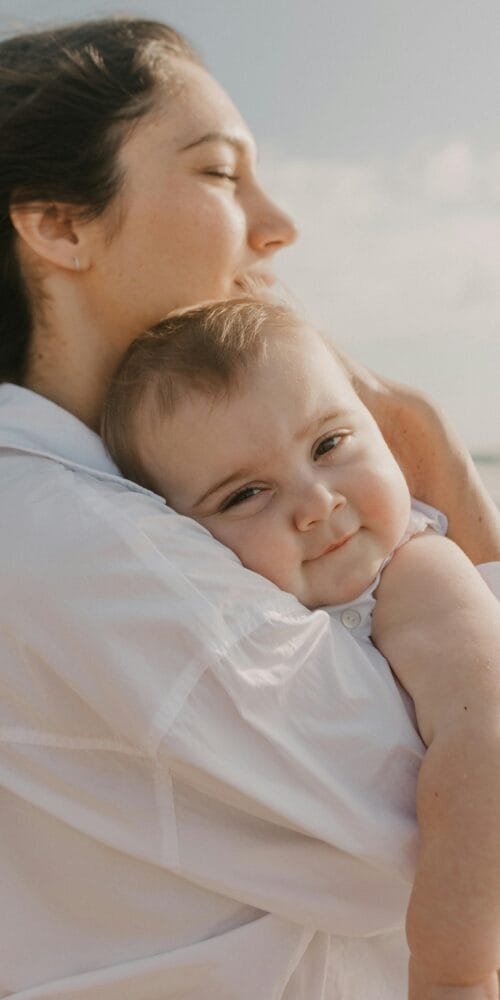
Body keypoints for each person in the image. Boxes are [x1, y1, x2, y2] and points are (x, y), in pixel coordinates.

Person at [0, 16, 499, 1000]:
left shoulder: (119, 501)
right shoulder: (89, 544)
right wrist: (426, 451)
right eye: (220, 173)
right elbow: (443, 807)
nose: (276, 225)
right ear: (59, 225)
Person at [101, 296, 500, 993]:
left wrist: (454, 973)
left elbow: (485, 743)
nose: (316, 502)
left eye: (328, 445)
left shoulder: (415, 573)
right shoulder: (225, 603)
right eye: (245, 494)